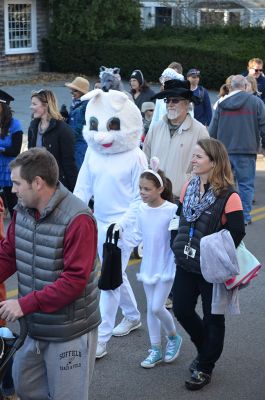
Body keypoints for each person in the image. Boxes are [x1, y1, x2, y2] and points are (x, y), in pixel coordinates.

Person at [0, 148, 100, 400]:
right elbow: (8, 254)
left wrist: (24, 304)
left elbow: (74, 281)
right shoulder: (23, 209)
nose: (12, 190)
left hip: (68, 332)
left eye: (16, 183)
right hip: (33, 325)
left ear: (37, 183)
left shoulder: (78, 219)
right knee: (25, 388)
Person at [74, 89, 147, 359]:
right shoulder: (93, 153)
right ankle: (132, 315)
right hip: (99, 224)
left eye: (112, 126)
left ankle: (101, 339)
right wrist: (73, 216)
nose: (103, 134)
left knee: (109, 281)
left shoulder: (135, 156)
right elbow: (82, 189)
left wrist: (123, 225)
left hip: (125, 227)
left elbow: (141, 198)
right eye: (96, 126)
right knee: (114, 275)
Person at [171, 138, 245, 390]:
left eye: (198, 157)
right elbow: (179, 219)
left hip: (211, 269)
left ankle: (204, 366)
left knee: (213, 318)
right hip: (186, 262)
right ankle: (207, 350)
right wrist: (176, 245)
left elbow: (237, 232)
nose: (193, 160)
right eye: (193, 156)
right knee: (181, 309)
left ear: (213, 162)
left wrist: (211, 251)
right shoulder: (187, 187)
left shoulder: (229, 195)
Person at [121, 161, 182, 368]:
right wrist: (121, 240)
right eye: (140, 188)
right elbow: (137, 235)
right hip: (148, 266)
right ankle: (155, 348)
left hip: (167, 265)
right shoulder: (141, 209)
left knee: (157, 307)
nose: (142, 192)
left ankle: (173, 338)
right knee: (150, 309)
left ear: (160, 189)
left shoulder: (172, 209)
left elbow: (177, 238)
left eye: (147, 189)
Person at [209, 75, 265, 225]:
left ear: (231, 86)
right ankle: (245, 217)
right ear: (245, 86)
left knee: (224, 184)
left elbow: (212, 131)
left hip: (224, 151)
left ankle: (224, 214)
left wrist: (211, 151)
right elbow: (264, 126)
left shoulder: (222, 104)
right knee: (246, 185)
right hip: (247, 150)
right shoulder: (256, 102)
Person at [144, 79, 209, 200]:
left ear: (187, 103)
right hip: (155, 197)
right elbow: (145, 159)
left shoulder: (200, 131)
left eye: (175, 100)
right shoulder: (156, 128)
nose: (170, 104)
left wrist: (187, 185)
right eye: (167, 100)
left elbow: (205, 166)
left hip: (182, 198)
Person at [28, 89, 78, 192]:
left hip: (57, 186)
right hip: (37, 182)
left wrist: (74, 191)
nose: (31, 107)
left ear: (46, 105)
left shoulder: (63, 129)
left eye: (34, 104)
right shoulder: (33, 127)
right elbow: (30, 155)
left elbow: (69, 163)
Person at [0, 90, 23, 217]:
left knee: (13, 205)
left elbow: (16, 150)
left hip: (8, 170)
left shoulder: (15, 125)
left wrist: (1, 149)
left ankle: (17, 230)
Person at [64, 76, 90, 170]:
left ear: (82, 92)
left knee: (78, 172)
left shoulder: (85, 106)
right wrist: (65, 118)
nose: (71, 93)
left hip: (80, 146)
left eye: (75, 91)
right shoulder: (75, 103)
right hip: (73, 144)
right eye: (72, 90)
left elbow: (79, 128)